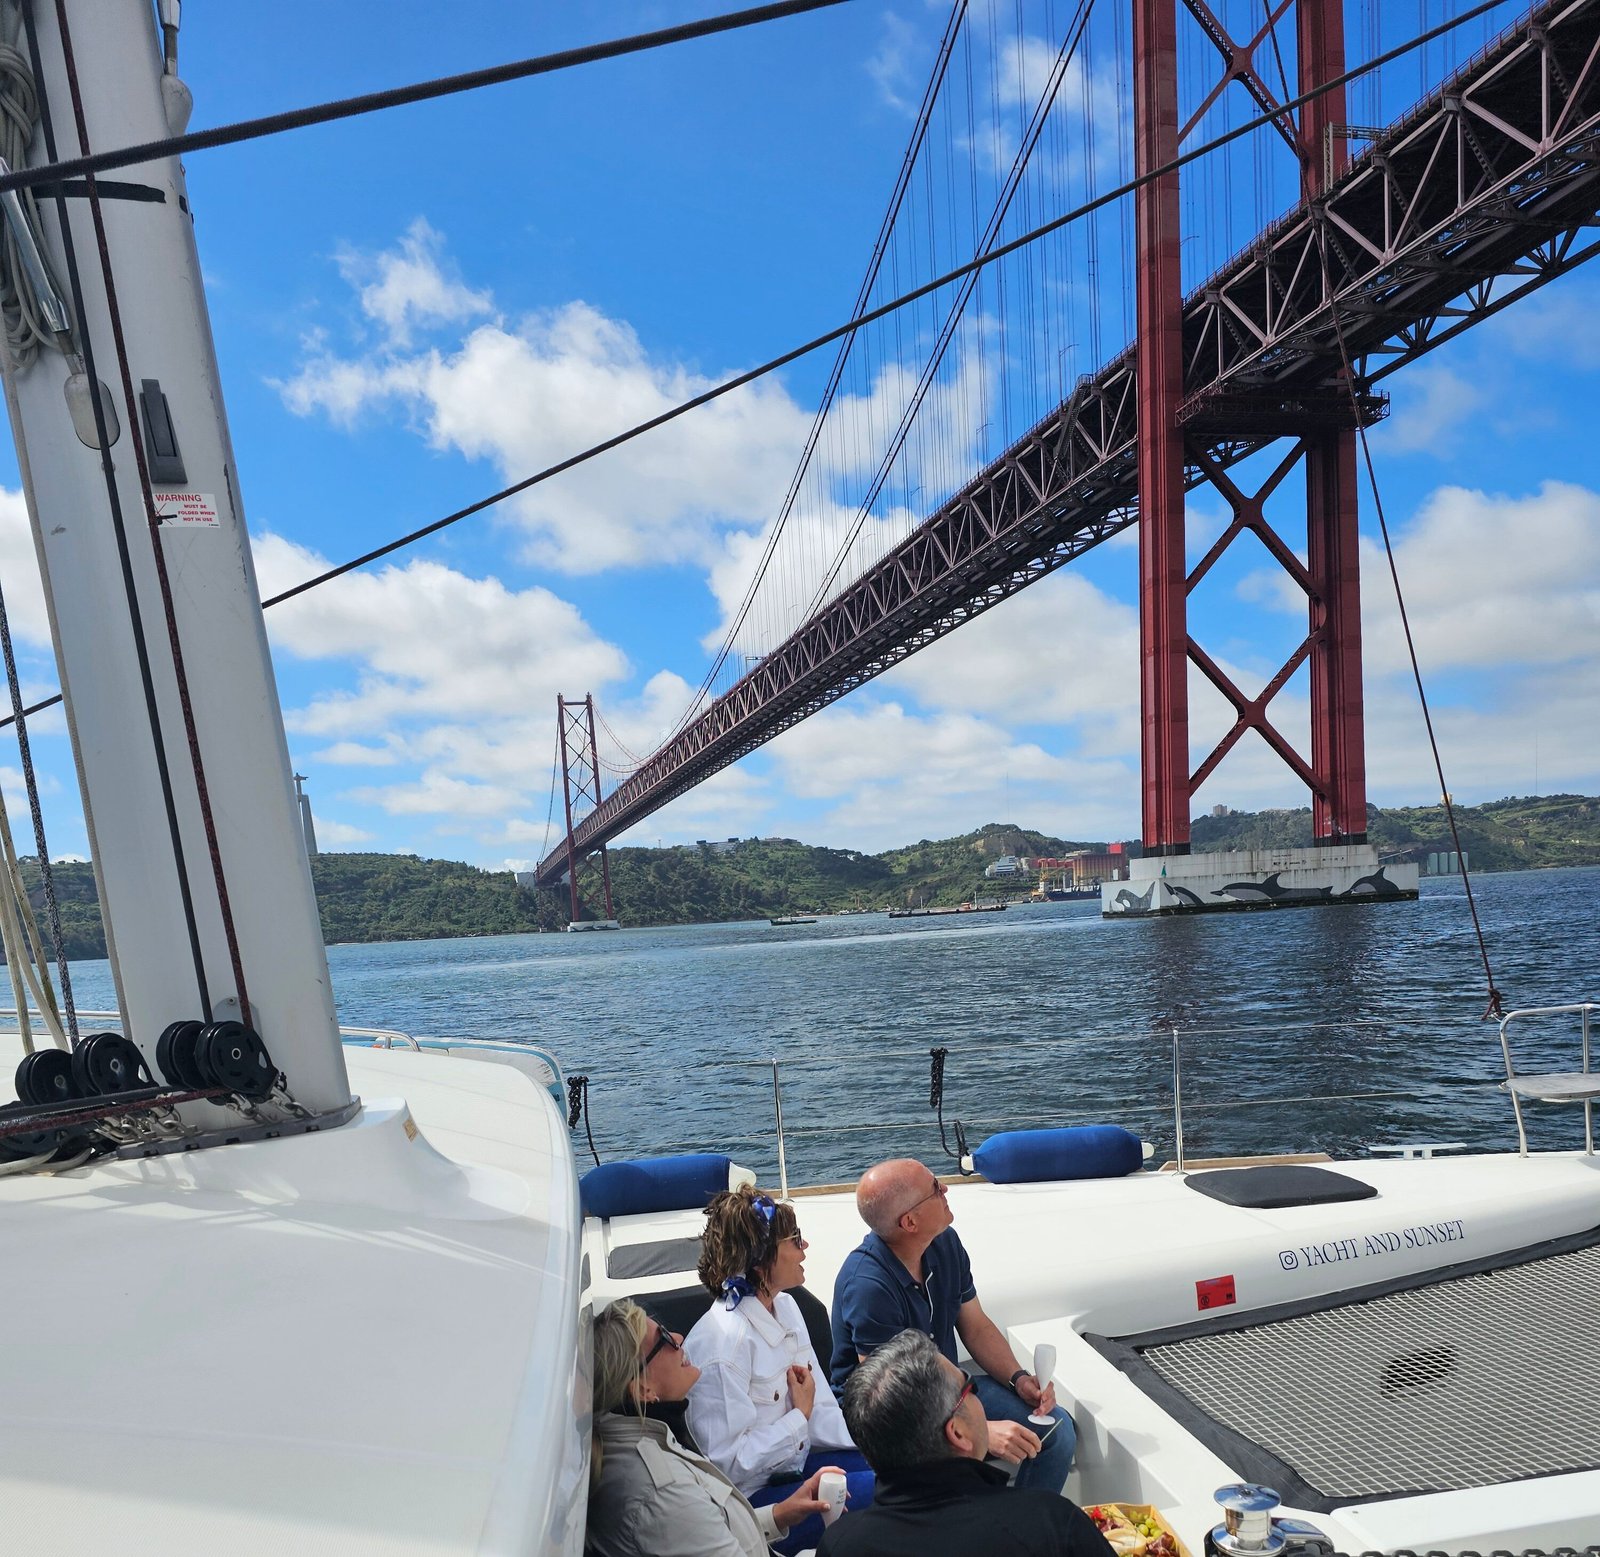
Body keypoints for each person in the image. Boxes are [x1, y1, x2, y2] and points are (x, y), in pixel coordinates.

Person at [829, 1158, 1076, 1493]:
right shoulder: (868, 1286)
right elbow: (890, 1401)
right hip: (891, 1418)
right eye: (934, 1188)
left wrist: (1018, 1380)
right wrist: (983, 1432)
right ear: (910, 1222)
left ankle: (1020, 1534)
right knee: (957, 1463)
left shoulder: (944, 1243)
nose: (944, 1188)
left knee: (1056, 1431)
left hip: (944, 1390)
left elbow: (975, 1326)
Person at [685, 1186, 874, 1554]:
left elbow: (821, 1412)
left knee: (912, 1469)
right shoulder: (724, 1347)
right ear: (760, 1262)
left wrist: (885, 1441)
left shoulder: (786, 1307)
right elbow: (731, 1467)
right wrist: (797, 1417)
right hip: (758, 1504)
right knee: (894, 1498)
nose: (805, 1248)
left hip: (800, 1465)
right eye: (795, 1239)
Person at [817, 1330, 1113, 1557]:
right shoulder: (1052, 1525)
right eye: (971, 1387)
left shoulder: (841, 1544)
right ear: (956, 1432)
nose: (978, 1395)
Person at [586, 1298, 841, 1557]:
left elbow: (710, 1528)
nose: (678, 1337)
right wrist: (799, 1417)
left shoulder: (651, 1443)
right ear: (643, 1389)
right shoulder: (661, 1489)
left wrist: (779, 1514)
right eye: (663, 1339)